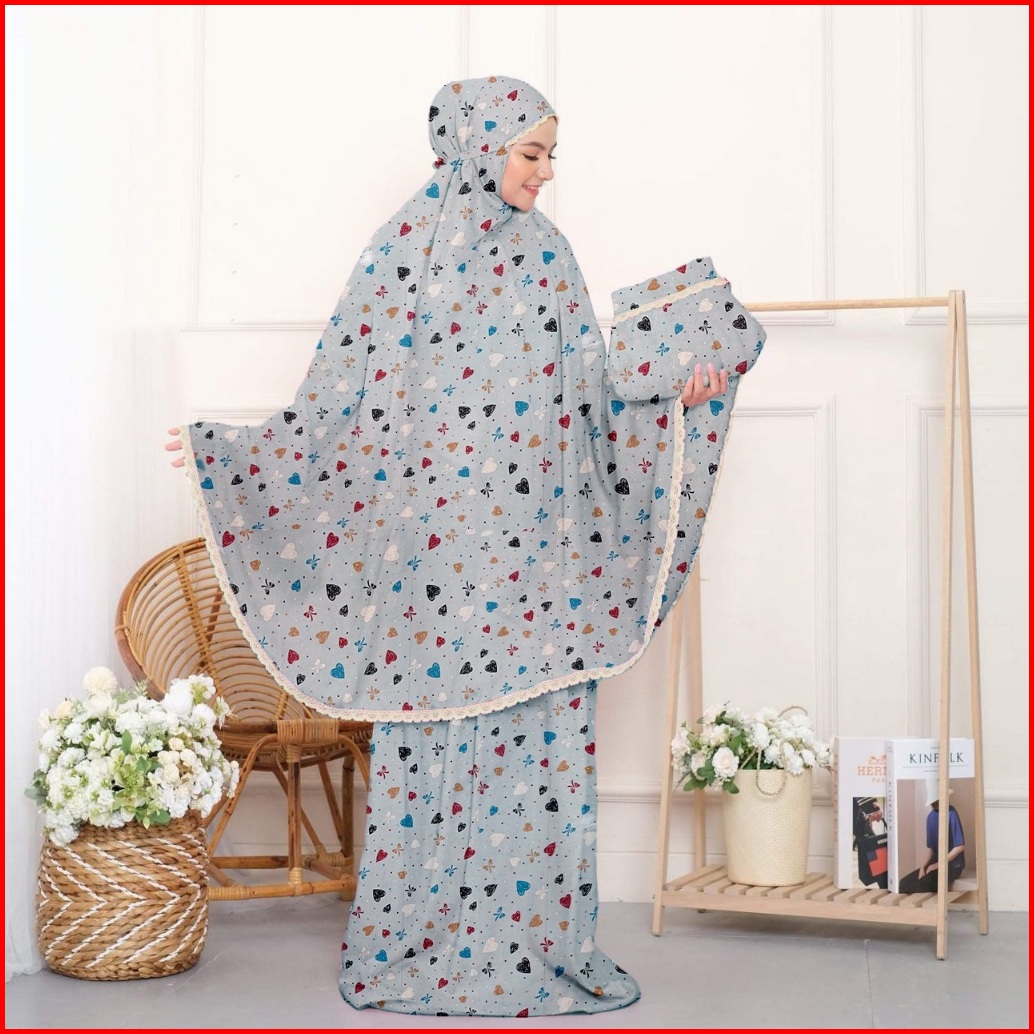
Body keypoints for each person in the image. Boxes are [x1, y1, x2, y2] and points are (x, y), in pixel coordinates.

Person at [168, 76, 764, 1017]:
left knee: (541, 740)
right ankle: (415, 945)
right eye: (532, 152)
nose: (545, 172)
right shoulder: (400, 255)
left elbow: (595, 398)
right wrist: (233, 455)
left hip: (540, 561)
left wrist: (671, 399)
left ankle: (537, 947)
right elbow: (336, 403)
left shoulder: (549, 255)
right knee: (429, 736)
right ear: (479, 145)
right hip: (431, 569)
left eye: (551, 154)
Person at [898, 779, 966, 894]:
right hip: (935, 863)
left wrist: (937, 865)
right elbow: (930, 849)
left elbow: (960, 847)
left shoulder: (951, 813)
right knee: (904, 883)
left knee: (922, 885)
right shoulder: (930, 817)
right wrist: (922, 867)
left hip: (952, 866)